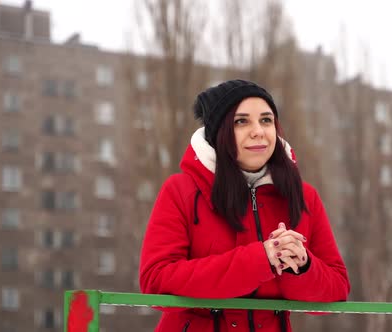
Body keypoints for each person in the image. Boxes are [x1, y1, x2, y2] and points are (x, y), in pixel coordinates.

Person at [139, 79, 349, 332]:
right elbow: (156, 280)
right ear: (219, 131)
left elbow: (337, 289)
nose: (258, 131)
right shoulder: (180, 190)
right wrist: (261, 260)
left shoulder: (304, 196)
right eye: (241, 121)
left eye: (266, 120)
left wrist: (302, 265)